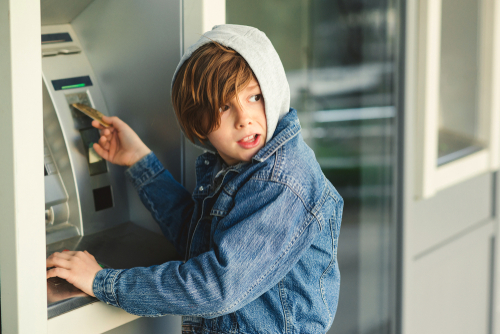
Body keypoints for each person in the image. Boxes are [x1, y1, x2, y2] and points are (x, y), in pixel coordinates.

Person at [46, 24, 343, 333]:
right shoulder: (236, 168)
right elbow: (198, 239)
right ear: (200, 124)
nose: (244, 119)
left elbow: (216, 287)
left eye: (254, 97)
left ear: (273, 89)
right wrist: (140, 162)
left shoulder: (281, 182)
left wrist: (102, 282)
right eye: (224, 107)